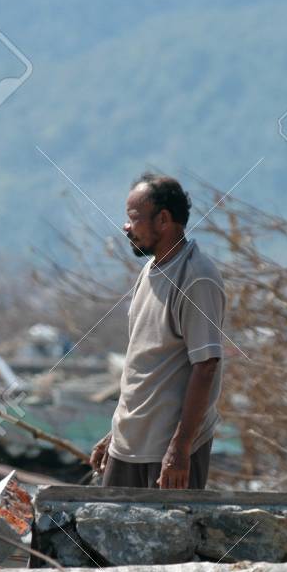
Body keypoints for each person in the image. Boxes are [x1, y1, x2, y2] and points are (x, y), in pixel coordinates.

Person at [90, 173, 226, 490]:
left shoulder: (196, 277)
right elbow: (146, 366)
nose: (126, 228)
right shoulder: (150, 272)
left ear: (163, 220)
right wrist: (117, 435)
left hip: (167, 454)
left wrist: (180, 450)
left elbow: (205, 367)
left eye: (133, 219)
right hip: (128, 448)